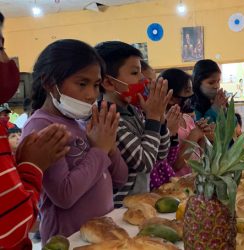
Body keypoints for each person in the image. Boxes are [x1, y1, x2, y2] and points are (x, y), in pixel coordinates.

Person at [21, 39, 128, 244]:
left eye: (96, 85)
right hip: (70, 241)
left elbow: (120, 179)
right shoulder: (42, 127)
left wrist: (110, 147)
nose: (91, 95)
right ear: (50, 84)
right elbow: (64, 195)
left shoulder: (80, 124)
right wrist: (99, 150)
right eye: (82, 83)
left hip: (101, 235)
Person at [0, 11, 72, 249]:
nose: (8, 60)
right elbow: (13, 225)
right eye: (0, 48)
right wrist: (32, 168)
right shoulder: (40, 124)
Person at [95, 41, 172, 206]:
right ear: (108, 83)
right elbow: (145, 163)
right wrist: (152, 117)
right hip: (120, 208)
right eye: (135, 72)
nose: (142, 79)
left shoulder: (134, 110)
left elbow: (160, 155)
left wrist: (160, 119)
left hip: (140, 201)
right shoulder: (108, 119)